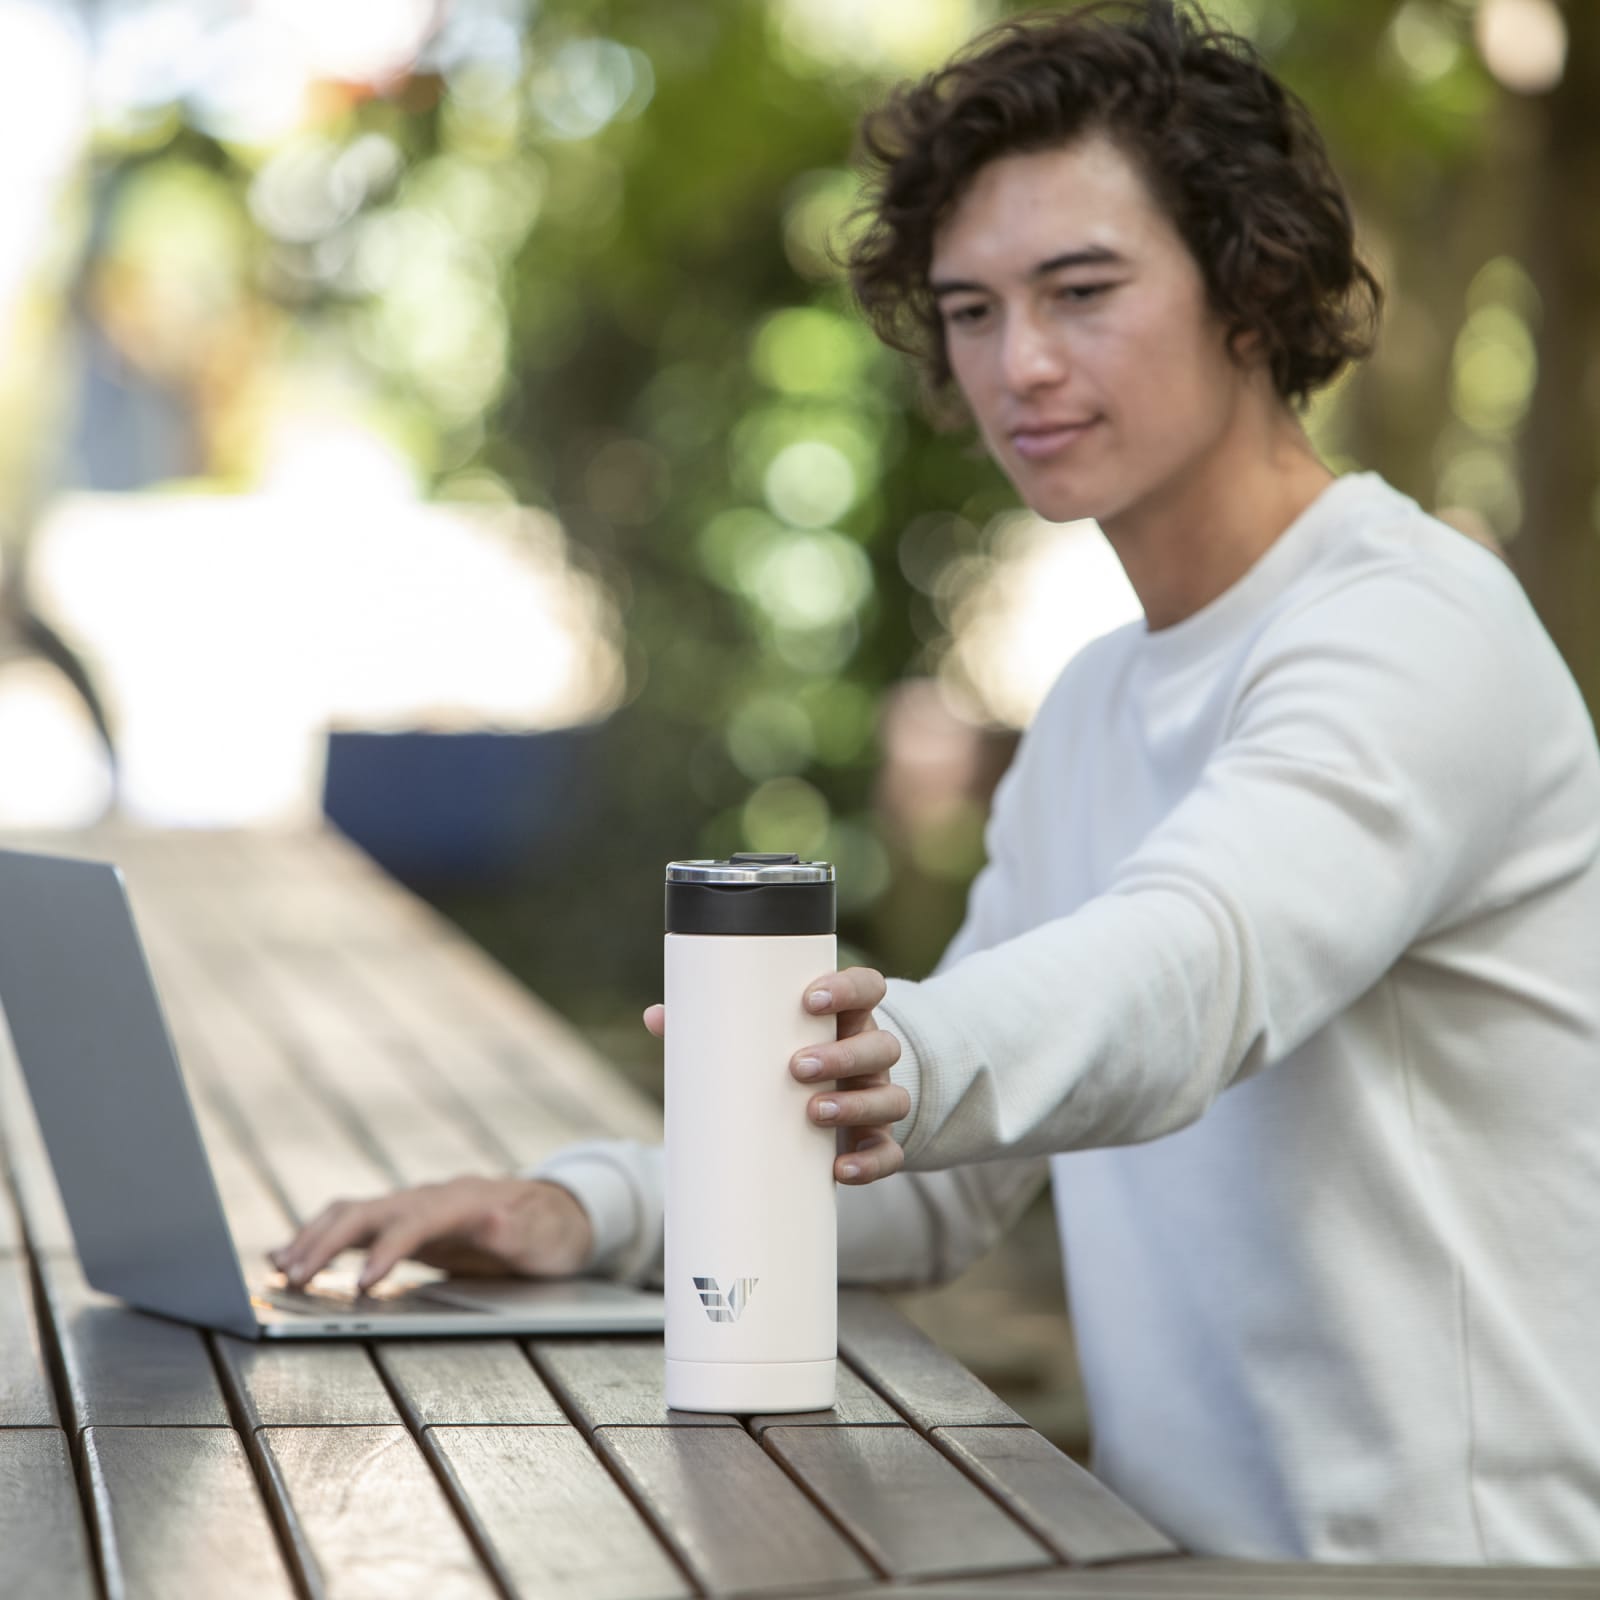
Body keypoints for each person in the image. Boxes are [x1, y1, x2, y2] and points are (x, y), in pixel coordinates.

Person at [270, 0, 1600, 1565]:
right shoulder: (1104, 702)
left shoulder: (1412, 625)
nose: (1018, 363)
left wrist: (903, 1037)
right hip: (1178, 1558)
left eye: (1082, 290)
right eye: (970, 310)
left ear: (1251, 290)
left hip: (1464, 1577)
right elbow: (940, 1193)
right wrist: (584, 1213)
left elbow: (1198, 967)